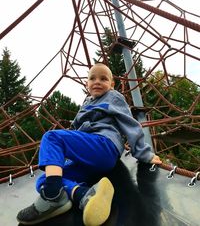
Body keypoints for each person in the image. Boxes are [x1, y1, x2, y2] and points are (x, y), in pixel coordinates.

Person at [17, 63, 162, 226]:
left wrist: (144, 154)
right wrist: (66, 155)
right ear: (87, 83)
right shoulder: (86, 103)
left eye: (103, 78)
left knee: (51, 137)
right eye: (92, 78)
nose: (97, 82)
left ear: (112, 84)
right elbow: (74, 131)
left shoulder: (113, 97)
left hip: (104, 145)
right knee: (44, 178)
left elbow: (130, 124)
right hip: (89, 158)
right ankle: (83, 195)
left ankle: (52, 196)